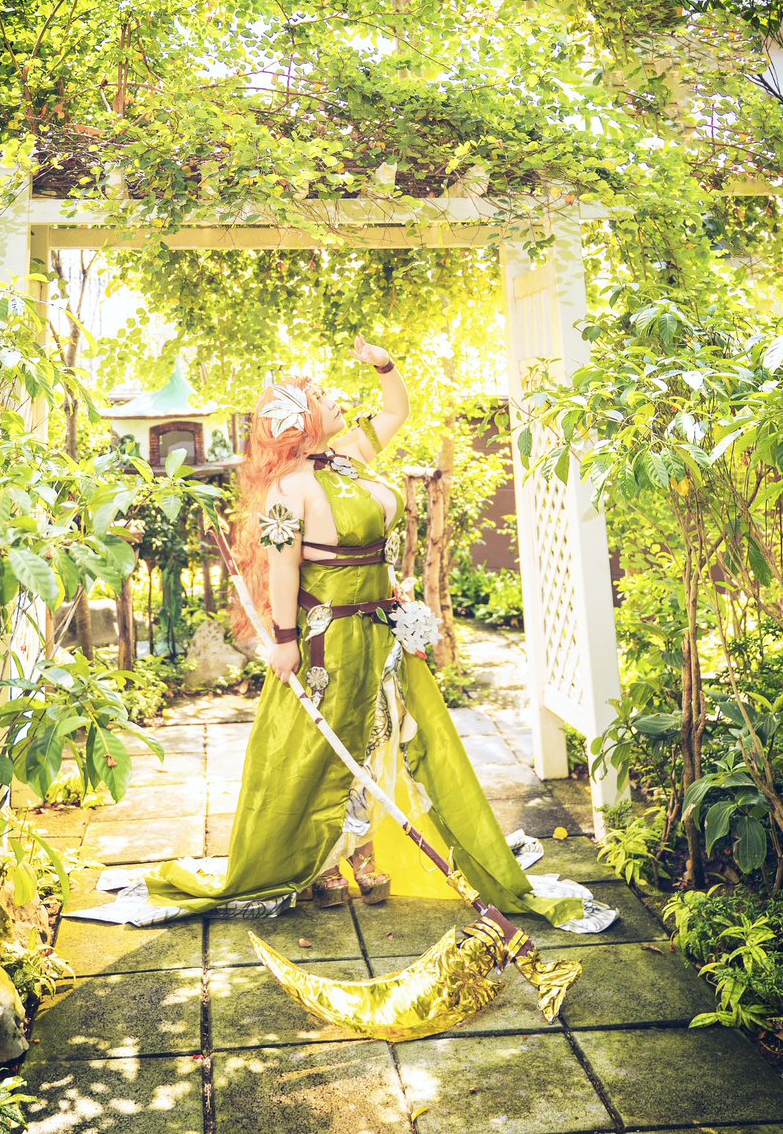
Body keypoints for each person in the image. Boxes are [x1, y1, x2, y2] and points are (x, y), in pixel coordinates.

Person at [117, 337, 616, 935]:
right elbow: (283, 570)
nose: (334, 398)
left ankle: (363, 849)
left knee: (387, 738)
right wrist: (283, 640)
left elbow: (398, 409)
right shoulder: (288, 488)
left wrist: (384, 364)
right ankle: (326, 861)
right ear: (299, 420)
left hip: (384, 629)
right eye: (320, 397)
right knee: (322, 749)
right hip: (327, 638)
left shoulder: (350, 454)